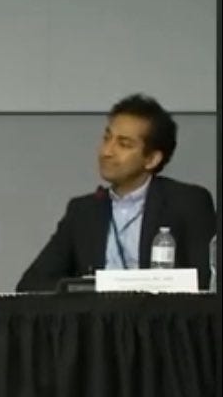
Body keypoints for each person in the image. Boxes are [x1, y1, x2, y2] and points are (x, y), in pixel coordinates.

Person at [17, 94, 216, 292]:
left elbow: (208, 282)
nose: (107, 152)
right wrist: (84, 289)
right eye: (107, 138)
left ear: (152, 159)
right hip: (97, 312)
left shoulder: (187, 203)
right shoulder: (83, 211)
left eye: (124, 144)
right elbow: (31, 284)